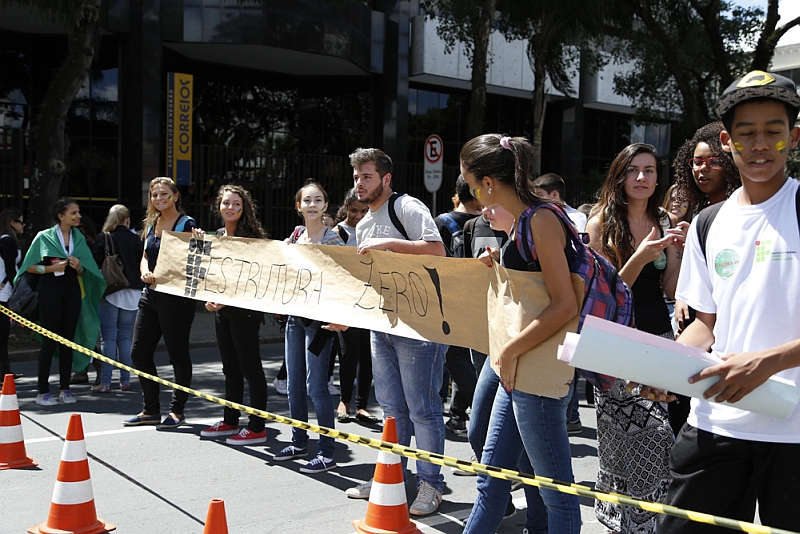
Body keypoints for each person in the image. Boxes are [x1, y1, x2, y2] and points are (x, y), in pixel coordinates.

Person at [645, 70, 800, 533]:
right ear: (728, 141)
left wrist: (770, 361)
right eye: (746, 133)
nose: (758, 145)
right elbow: (705, 323)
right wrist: (667, 367)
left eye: (772, 132)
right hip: (716, 422)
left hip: (794, 432)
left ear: (793, 138)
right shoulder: (708, 223)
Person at [459, 134, 581, 533]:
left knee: (556, 493)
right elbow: (536, 286)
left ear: (488, 184)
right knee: (490, 478)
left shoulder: (541, 219)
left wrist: (510, 350)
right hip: (519, 362)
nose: (471, 193)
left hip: (536, 368)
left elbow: (565, 304)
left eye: (471, 184)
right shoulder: (526, 221)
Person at [336, 147, 448, 516]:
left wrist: (387, 243)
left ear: (386, 179)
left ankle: (432, 485)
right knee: (390, 409)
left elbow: (437, 250)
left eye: (366, 176)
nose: (360, 184)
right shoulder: (363, 222)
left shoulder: (407, 207)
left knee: (423, 409)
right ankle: (391, 476)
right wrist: (346, 315)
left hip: (419, 327)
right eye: (356, 177)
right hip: (380, 325)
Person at [586, 143, 684, 533]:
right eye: (633, 170)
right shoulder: (600, 224)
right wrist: (641, 257)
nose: (642, 178)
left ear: (658, 178)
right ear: (619, 176)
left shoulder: (662, 218)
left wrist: (681, 252)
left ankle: (642, 523)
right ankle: (635, 523)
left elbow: (672, 289)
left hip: (659, 339)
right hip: (615, 345)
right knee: (644, 436)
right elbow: (605, 295)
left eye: (649, 170)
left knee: (655, 437)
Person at [274, 180, 345, 473]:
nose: (312, 205)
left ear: (325, 206)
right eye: (307, 200)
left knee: (316, 386)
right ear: (298, 206)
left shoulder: (334, 241)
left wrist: (341, 317)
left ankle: (327, 452)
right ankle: (299, 441)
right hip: (294, 319)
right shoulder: (294, 237)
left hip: (320, 323)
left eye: (318, 200)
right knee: (293, 385)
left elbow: (345, 281)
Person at [123, 177, 198, 429]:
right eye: (154, 195)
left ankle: (177, 410)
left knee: (177, 354)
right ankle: (150, 410)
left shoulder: (186, 224)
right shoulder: (152, 222)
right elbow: (145, 256)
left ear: (175, 196)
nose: (158, 199)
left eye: (164, 194)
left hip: (175, 299)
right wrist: (145, 271)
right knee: (139, 352)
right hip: (150, 295)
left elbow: (191, 259)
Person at [17, 198, 105, 406]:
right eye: (74, 212)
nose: (78, 216)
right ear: (61, 216)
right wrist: (50, 269)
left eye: (79, 212)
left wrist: (78, 266)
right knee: (50, 341)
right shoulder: (44, 237)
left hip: (72, 291)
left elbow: (87, 270)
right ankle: (43, 391)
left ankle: (65, 389)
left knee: (68, 340)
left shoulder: (79, 238)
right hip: (50, 291)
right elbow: (28, 267)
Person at [200, 185, 270, 445]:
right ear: (219, 206)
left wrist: (223, 300)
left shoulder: (251, 238)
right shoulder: (216, 236)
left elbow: (253, 279)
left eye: (236, 204)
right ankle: (230, 420)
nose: (230, 208)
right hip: (222, 311)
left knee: (250, 368)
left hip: (246, 312)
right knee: (230, 368)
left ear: (244, 208)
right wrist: (210, 299)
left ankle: (257, 427)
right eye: (226, 203)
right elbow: (210, 274)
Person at [532, 172, 586, 435]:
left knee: (566, 363)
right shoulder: (537, 218)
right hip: (555, 301)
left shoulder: (573, 218)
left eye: (541, 196)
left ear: (554, 195)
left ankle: (569, 414)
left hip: (570, 301)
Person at [434, 176, 482, 435]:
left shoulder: (442, 222)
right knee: (468, 360)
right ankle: (457, 415)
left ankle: (480, 408)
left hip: (449, 301)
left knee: (455, 359)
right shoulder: (487, 223)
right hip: (480, 299)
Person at [332, 188, 377, 424]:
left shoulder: (372, 230)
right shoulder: (338, 232)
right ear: (345, 208)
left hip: (370, 299)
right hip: (346, 300)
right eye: (353, 211)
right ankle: (344, 401)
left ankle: (362, 405)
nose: (358, 215)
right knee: (348, 353)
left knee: (367, 354)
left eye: (363, 210)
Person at [91, 205, 144, 393]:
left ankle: (105, 383)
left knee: (108, 338)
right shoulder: (137, 239)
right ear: (127, 220)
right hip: (134, 293)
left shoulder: (104, 238)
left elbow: (94, 264)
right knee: (124, 338)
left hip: (111, 290)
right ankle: (125, 380)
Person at [672, 121, 740, 214]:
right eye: (697, 162)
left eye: (713, 162)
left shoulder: (740, 210)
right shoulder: (696, 212)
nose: (703, 168)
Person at [0, 209, 24, 379]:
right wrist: (12, 284)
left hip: (5, 290)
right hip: (4, 292)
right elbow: (10, 267)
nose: (23, 225)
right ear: (12, 223)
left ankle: (5, 370)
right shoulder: (7, 242)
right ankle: (4, 371)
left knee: (3, 333)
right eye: (20, 222)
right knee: (2, 333)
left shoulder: (5, 241)